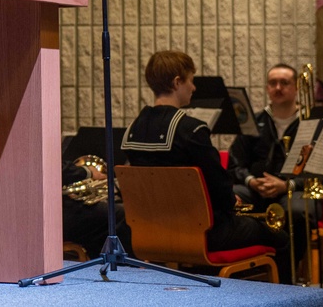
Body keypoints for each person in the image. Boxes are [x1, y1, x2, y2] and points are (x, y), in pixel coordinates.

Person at [121, 50, 291, 281]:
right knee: (278, 236)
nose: (194, 87)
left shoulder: (132, 130)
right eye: (191, 80)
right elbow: (219, 187)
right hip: (202, 235)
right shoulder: (192, 130)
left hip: (149, 233)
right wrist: (231, 201)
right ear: (177, 82)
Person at [227, 63, 312, 267]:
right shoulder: (254, 121)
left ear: (296, 88)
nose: (278, 88)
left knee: (298, 209)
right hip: (256, 188)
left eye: (284, 83)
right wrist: (251, 181)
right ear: (267, 88)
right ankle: (245, 267)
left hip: (294, 189)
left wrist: (287, 185)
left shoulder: (310, 122)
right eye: (273, 83)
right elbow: (235, 163)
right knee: (228, 199)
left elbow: (321, 172)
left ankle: (287, 270)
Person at [61, 157, 133, 259]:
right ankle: (126, 267)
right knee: (120, 215)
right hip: (56, 218)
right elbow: (57, 169)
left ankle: (99, 263)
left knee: (102, 213)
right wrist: (88, 171)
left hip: (51, 210)